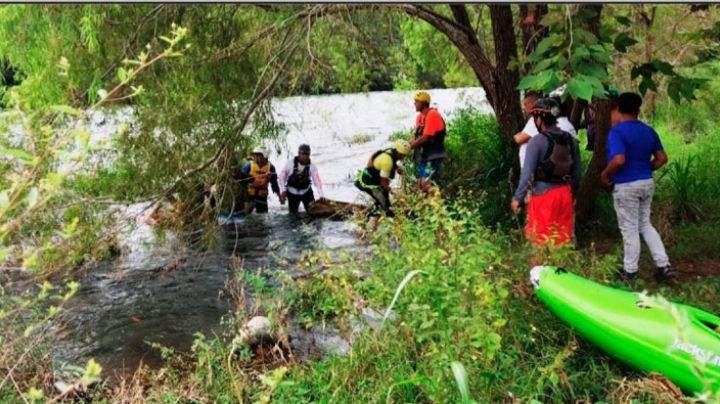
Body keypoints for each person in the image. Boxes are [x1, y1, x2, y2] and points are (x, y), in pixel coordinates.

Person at [600, 92, 673, 281]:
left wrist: (605, 174)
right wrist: (644, 167)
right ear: (638, 110)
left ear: (617, 110)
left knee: (629, 228)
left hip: (626, 185)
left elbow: (619, 159)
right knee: (645, 224)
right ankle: (663, 266)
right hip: (646, 182)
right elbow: (662, 158)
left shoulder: (617, 132)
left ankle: (630, 271)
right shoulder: (648, 131)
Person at [511, 98, 582, 246]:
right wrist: (573, 194)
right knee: (562, 241)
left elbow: (528, 173)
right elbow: (577, 171)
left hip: (543, 197)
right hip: (565, 194)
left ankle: (540, 268)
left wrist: (518, 198)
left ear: (539, 118)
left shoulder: (537, 141)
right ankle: (560, 267)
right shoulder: (570, 140)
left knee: (540, 242)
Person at [514, 93, 578, 170]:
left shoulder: (540, 121)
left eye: (525, 104)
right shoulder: (567, 124)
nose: (524, 108)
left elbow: (519, 139)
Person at [355, 140, 411, 217]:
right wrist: (393, 191)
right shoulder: (387, 162)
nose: (403, 157)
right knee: (385, 208)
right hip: (367, 182)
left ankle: (361, 215)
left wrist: (397, 167)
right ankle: (368, 223)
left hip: (375, 179)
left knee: (382, 201)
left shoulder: (390, 152)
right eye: (402, 155)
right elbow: (383, 184)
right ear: (397, 152)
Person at [409, 91, 446, 192]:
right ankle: (426, 204)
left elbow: (426, 137)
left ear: (424, 103)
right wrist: (406, 145)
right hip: (424, 155)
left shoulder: (432, 114)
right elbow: (417, 137)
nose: (414, 103)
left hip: (434, 155)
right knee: (421, 183)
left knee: (427, 183)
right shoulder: (420, 117)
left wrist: (410, 147)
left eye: (417, 101)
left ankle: (436, 204)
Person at [278, 144, 326, 213]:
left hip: (306, 191)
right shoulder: (290, 164)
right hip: (292, 192)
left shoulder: (312, 166)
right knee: (293, 215)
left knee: (312, 212)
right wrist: (283, 190)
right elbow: (281, 178)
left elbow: (317, 181)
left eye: (307, 154)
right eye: (303, 153)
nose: (305, 156)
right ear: (299, 154)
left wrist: (321, 195)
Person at [239, 147, 280, 214]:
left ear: (265, 156)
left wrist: (279, 194)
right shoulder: (248, 165)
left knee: (262, 216)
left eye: (259, 155)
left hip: (262, 196)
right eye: (256, 155)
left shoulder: (271, 168)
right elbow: (241, 178)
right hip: (249, 195)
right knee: (246, 214)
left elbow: (274, 183)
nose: (257, 157)